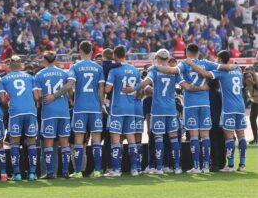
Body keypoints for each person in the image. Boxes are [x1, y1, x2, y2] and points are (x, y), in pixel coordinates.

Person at [155, 44, 236, 173]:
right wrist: (234, 66)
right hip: (204, 103)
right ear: (198, 52)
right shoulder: (205, 63)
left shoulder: (184, 64)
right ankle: (205, 166)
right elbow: (223, 67)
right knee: (205, 135)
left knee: (193, 135)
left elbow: (171, 71)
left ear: (187, 52)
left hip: (190, 104)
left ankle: (196, 167)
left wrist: (154, 67)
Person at [137, 49, 209, 175]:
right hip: (171, 109)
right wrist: (201, 88)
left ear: (158, 58)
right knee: (174, 139)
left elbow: (145, 83)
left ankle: (159, 168)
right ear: (167, 59)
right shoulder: (174, 71)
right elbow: (186, 86)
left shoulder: (155, 70)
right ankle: (177, 167)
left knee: (158, 138)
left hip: (158, 109)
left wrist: (134, 87)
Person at [45, 41, 105, 178]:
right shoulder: (98, 67)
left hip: (80, 108)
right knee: (96, 140)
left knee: (79, 140)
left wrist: (54, 95)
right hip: (95, 108)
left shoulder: (75, 66)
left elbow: (69, 85)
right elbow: (101, 89)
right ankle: (97, 170)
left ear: (80, 51)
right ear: (92, 52)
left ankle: (78, 172)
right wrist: (101, 106)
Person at [185, 51, 247, 172]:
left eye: (217, 59)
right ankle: (242, 164)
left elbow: (203, 73)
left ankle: (230, 166)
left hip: (229, 107)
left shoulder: (221, 72)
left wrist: (191, 64)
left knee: (228, 137)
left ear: (219, 60)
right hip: (241, 106)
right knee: (241, 136)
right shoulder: (238, 71)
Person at [0, 56, 39, 181]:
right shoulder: (30, 77)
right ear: (21, 65)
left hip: (15, 112)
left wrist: (8, 106)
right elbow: (37, 97)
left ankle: (17, 174)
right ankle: (32, 174)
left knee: (14, 143)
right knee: (32, 142)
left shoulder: (4, 79)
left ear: (10, 66)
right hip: (30, 111)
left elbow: (1, 99)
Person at [103, 46, 141, 177]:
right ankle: (135, 169)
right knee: (131, 139)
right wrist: (133, 89)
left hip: (117, 109)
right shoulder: (135, 70)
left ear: (114, 55)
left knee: (115, 140)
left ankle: (117, 169)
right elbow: (140, 87)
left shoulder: (114, 71)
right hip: (130, 108)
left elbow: (107, 90)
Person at [35, 51, 71, 179]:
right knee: (64, 142)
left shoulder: (39, 75)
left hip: (49, 112)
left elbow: (38, 96)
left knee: (48, 142)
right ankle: (66, 171)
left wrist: (41, 101)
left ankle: (49, 172)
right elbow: (70, 91)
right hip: (64, 111)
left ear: (44, 60)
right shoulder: (64, 73)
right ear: (55, 60)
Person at [244, 66, 258, 145]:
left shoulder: (256, 76)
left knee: (253, 119)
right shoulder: (246, 78)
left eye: (249, 71)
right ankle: (256, 138)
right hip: (255, 101)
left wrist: (252, 82)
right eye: (246, 72)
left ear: (253, 70)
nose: (247, 74)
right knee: (252, 119)